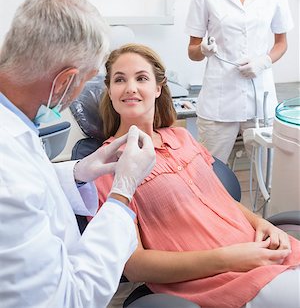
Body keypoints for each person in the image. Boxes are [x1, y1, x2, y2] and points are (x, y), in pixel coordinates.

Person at [94, 43, 300, 308]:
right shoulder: (106, 164)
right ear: (110, 91)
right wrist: (233, 258)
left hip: (265, 251)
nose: (131, 87)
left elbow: (220, 200)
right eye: (120, 79)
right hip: (226, 281)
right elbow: (134, 265)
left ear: (158, 88)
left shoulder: (181, 137)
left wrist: (263, 224)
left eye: (141, 78)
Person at [0, 0, 156, 308]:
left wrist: (78, 173)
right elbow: (67, 299)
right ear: (65, 80)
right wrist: (122, 193)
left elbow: (33, 186)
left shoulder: (14, 128)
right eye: (88, 81)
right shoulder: (8, 172)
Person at [185, 0, 294, 164]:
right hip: (219, 101)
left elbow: (281, 43)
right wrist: (204, 50)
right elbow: (192, 51)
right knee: (211, 176)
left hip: (260, 99)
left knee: (266, 177)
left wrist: (263, 61)